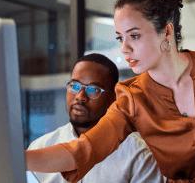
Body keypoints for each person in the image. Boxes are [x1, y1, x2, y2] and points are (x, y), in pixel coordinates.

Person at [26, 0, 195, 182]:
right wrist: (16, 157)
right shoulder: (132, 98)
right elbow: (83, 150)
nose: (124, 48)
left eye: (134, 36)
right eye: (120, 38)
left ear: (167, 31)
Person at [28, 53, 162, 183]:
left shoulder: (139, 154)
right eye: (74, 86)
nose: (80, 96)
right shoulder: (40, 147)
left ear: (113, 98)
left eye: (93, 89)